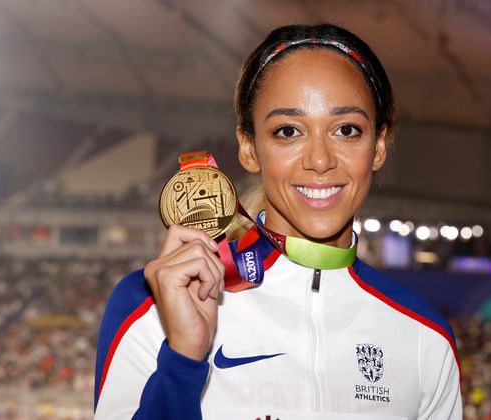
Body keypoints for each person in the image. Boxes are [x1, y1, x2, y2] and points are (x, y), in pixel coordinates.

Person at [94, 24, 462, 419]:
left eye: (347, 130)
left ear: (378, 146)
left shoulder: (425, 336)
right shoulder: (151, 303)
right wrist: (183, 359)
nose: (320, 160)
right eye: (288, 131)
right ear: (249, 149)